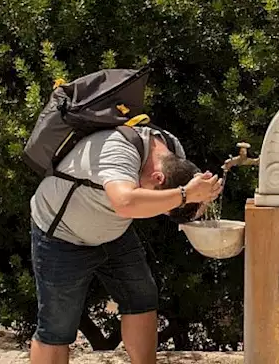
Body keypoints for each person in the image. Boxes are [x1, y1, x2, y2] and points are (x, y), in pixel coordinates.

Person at [29, 124, 222, 364]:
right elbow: (125, 202)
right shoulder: (116, 150)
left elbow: (171, 193)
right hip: (63, 234)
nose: (158, 210)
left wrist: (198, 199)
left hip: (114, 232)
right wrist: (184, 196)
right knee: (56, 326)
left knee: (141, 298)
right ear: (158, 177)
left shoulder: (172, 150)